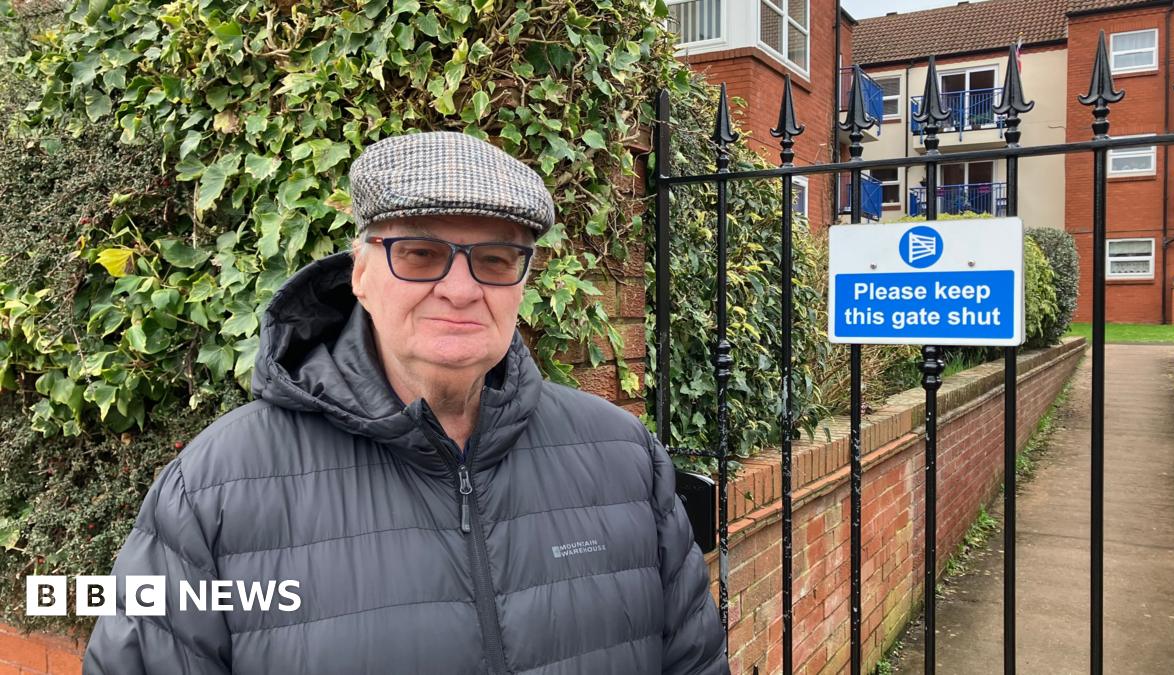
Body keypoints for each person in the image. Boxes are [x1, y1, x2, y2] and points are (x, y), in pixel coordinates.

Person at [83, 131, 729, 674]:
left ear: (522, 282)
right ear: (361, 274)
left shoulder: (625, 459)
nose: (460, 289)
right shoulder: (212, 490)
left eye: (495, 258)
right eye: (420, 254)